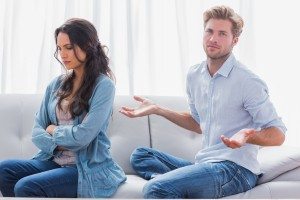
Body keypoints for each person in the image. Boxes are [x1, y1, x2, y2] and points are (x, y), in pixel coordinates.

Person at [120, 5, 286, 199]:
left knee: (155, 189)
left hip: (235, 170)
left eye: (222, 34)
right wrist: (158, 109)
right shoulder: (194, 75)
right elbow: (198, 124)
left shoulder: (247, 81)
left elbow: (278, 134)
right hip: (204, 164)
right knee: (141, 155)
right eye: (209, 31)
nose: (213, 39)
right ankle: (182, 186)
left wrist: (247, 135)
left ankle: (172, 186)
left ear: (235, 40)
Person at [0, 18, 126, 198]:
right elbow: (37, 130)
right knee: (4, 170)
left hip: (83, 168)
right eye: (59, 48)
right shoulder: (56, 84)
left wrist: (53, 130)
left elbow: (83, 137)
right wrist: (58, 142)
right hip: (52, 160)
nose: (63, 54)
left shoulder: (104, 86)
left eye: (68, 47)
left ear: (88, 46)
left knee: (26, 187)